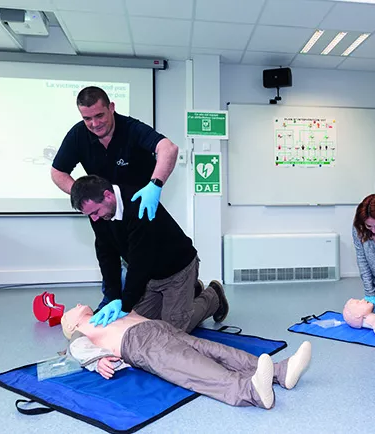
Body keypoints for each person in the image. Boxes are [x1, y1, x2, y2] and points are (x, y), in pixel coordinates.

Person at [51, 86, 201, 309]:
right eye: (87, 118)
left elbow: (168, 149)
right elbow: (58, 172)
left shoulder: (131, 129)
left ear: (111, 108)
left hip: (138, 209)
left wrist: (155, 185)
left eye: (100, 115)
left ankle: (192, 291)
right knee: (111, 252)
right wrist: (88, 198)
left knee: (145, 264)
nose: (94, 123)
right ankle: (114, 295)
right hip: (105, 208)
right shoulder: (78, 135)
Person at [61, 304, 313, 410]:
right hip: (140, 344)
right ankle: (251, 391)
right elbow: (81, 353)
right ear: (71, 324)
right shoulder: (79, 337)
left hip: (159, 329)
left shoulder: (106, 311)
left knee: (215, 350)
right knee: (193, 366)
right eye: (74, 308)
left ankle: (281, 372)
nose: (79, 305)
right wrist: (98, 362)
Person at [70, 174, 228, 333]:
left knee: (172, 331)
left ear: (108, 195)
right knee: (136, 325)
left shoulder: (139, 204)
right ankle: (191, 293)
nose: (94, 219)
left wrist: (125, 303)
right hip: (151, 277)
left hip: (177, 270)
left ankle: (213, 296)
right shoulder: (99, 216)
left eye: (96, 212)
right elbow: (106, 256)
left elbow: (140, 261)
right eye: (90, 215)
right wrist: (113, 297)